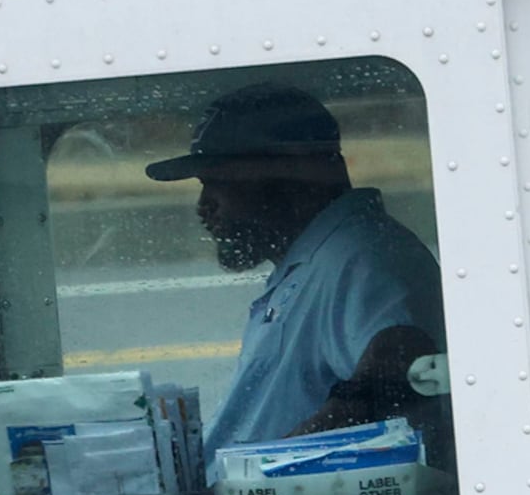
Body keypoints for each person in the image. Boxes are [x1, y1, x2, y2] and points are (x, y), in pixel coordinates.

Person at [143, 84, 446, 450]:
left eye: (220, 182)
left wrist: (260, 476)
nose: (204, 205)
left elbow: (401, 361)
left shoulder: (362, 259)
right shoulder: (318, 261)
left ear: (296, 173)